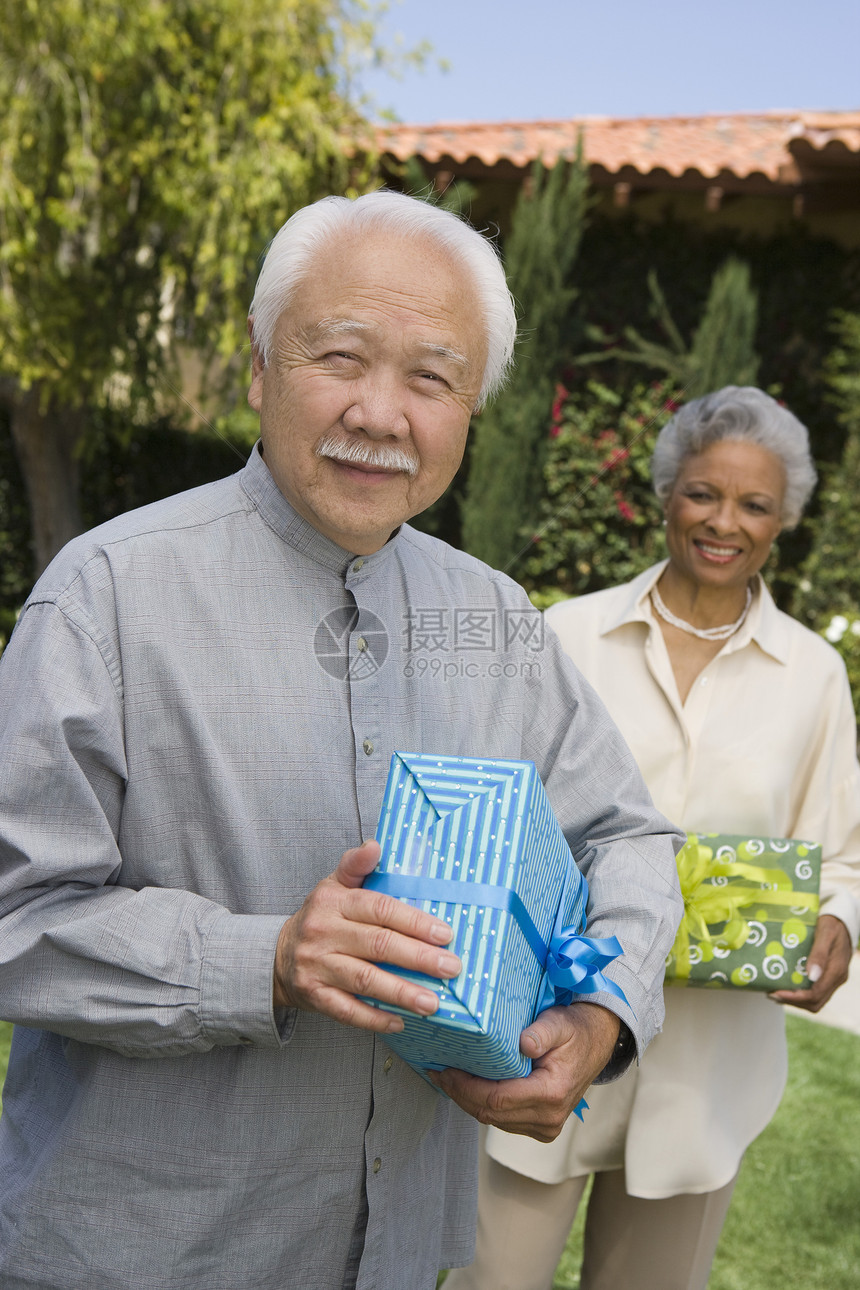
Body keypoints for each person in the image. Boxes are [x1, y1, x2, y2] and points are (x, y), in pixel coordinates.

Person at [0, 191, 684, 1290]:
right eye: (340, 356)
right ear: (260, 368)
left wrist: (602, 1013)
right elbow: (15, 912)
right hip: (146, 1254)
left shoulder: (496, 621)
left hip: (403, 1254)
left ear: (471, 408)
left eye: (430, 376)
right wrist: (262, 958)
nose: (380, 412)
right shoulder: (107, 598)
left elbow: (628, 836)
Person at [447, 385, 860, 1290]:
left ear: (784, 519)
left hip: (708, 1066)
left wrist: (838, 922)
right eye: (704, 493)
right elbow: (498, 818)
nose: (725, 522)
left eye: (755, 504)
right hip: (547, 1028)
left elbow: (841, 856)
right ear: (667, 493)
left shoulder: (814, 677)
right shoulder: (567, 637)